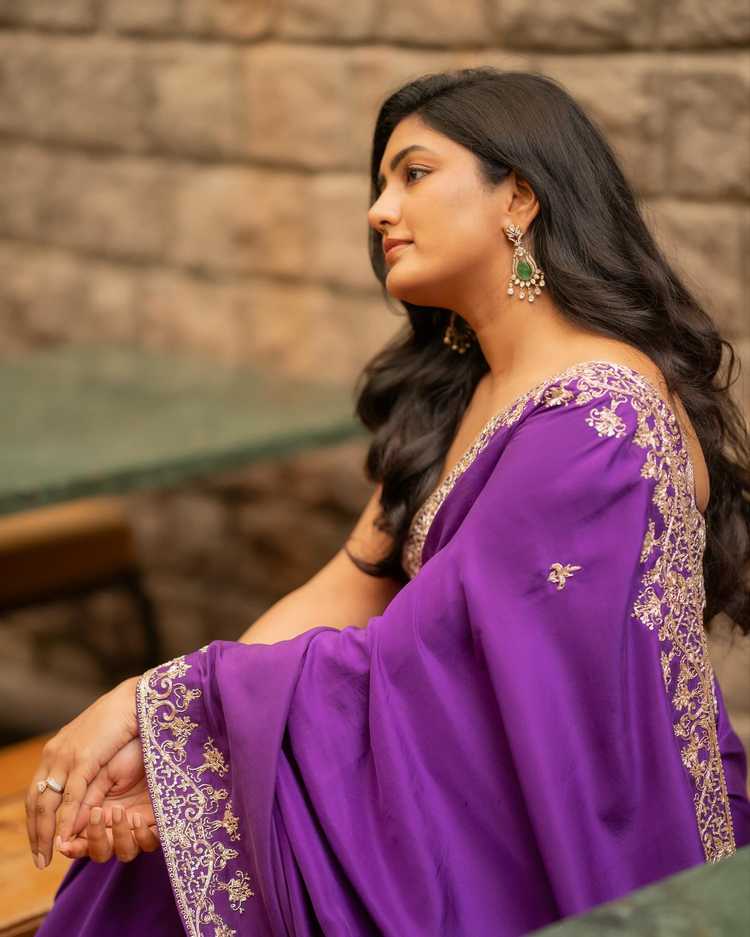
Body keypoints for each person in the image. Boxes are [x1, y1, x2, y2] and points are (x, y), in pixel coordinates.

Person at [28, 67, 750, 937]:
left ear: (519, 196)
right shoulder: (463, 395)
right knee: (176, 855)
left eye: (414, 174)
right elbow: (345, 588)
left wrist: (161, 698)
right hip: (475, 790)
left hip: (591, 834)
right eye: (380, 185)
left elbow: (431, 656)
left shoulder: (599, 414)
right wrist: (185, 753)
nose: (379, 211)